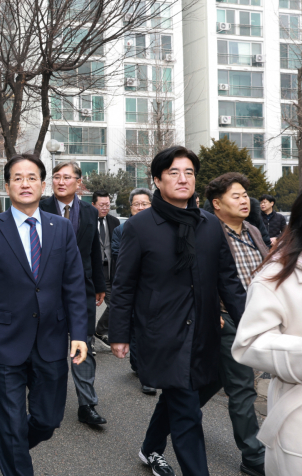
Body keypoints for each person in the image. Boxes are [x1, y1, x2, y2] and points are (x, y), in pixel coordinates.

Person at [109, 146, 246, 476]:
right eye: (173, 172)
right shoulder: (139, 226)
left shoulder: (209, 225)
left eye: (189, 172)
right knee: (187, 411)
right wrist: (119, 333)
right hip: (163, 333)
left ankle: (150, 448)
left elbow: (228, 280)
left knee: (182, 395)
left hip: (205, 332)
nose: (183, 179)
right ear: (157, 180)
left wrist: (250, 324)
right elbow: (123, 284)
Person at [0, 154, 87, 476]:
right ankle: (14, 455)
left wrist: (79, 334)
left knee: (48, 420)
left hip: (51, 339)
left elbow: (74, 285)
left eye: (32, 178)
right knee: (9, 423)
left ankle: (13, 446)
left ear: (43, 185)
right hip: (3, 341)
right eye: (17, 178)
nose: (25, 183)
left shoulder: (61, 228)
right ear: (7, 186)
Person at [199, 173, 266, 476]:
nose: (244, 201)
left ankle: (178, 413)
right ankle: (253, 457)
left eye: (244, 196)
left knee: (212, 381)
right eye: (235, 196)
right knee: (242, 388)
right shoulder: (208, 232)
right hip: (227, 320)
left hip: (257, 319)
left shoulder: (252, 230)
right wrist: (215, 314)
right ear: (217, 203)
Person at [233, 191, 302, 476]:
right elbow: (250, 343)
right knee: (240, 391)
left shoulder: (253, 230)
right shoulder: (277, 274)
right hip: (296, 414)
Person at [40, 161, 107, 426]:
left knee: (84, 343)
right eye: (56, 176)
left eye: (67, 177)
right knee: (46, 344)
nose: (61, 181)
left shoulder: (90, 212)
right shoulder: (40, 207)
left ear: (79, 182)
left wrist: (99, 285)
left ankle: (87, 404)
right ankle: (43, 399)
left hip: (82, 288)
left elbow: (94, 251)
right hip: (46, 288)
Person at [110, 187, 157, 395]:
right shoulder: (121, 229)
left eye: (144, 203)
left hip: (156, 287)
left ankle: (143, 365)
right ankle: (144, 373)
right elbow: (117, 254)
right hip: (132, 285)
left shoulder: (160, 226)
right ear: (130, 207)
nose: (140, 207)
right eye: (136, 204)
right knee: (137, 328)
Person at [92, 190, 120, 346]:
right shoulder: (86, 220)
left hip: (109, 270)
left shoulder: (114, 221)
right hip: (91, 271)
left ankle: (100, 329)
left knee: (116, 303)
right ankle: (87, 340)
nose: (105, 208)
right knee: (87, 307)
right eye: (101, 205)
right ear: (93, 205)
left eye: (107, 205)